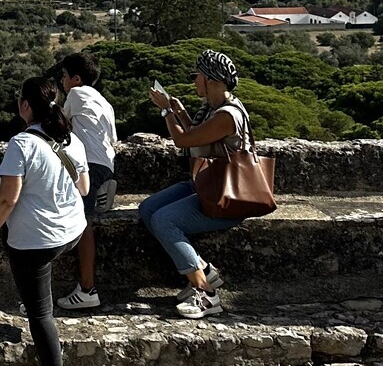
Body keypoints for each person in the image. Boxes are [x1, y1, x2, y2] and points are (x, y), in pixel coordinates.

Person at [0, 76, 89, 366]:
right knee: (37, 300)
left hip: (37, 241)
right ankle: (35, 302)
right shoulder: (70, 139)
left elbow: (7, 200)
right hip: (73, 231)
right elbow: (83, 187)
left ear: (25, 105)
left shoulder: (22, 144)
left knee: (41, 314)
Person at [139, 49, 252, 320]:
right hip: (210, 184)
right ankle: (203, 270)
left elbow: (184, 141)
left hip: (228, 196)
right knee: (148, 209)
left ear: (211, 79)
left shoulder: (227, 115)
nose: (194, 81)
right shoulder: (214, 109)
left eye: (196, 76)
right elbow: (197, 135)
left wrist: (166, 111)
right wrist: (181, 112)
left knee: (165, 221)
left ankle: (206, 293)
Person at [53, 52, 119, 311]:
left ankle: (88, 289)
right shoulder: (104, 101)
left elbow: (59, 125)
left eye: (64, 76)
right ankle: (102, 191)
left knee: (83, 222)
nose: (62, 80)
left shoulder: (76, 95)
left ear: (76, 79)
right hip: (106, 163)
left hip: (87, 164)